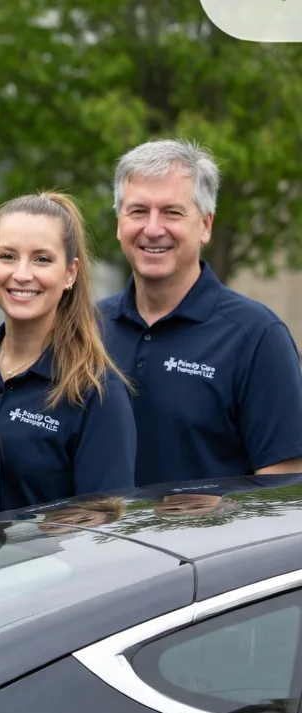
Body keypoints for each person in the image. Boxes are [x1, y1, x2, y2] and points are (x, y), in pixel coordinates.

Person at [99, 139, 302, 486]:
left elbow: (282, 496)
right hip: (94, 541)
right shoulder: (88, 329)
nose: (152, 228)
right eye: (138, 211)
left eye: (172, 212)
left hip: (211, 542)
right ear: (119, 224)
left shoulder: (256, 336)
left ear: (206, 225)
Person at [0, 191, 136, 510]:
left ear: (70, 273)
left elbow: (103, 534)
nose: (21, 274)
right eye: (8, 256)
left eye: (42, 259)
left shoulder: (97, 392)